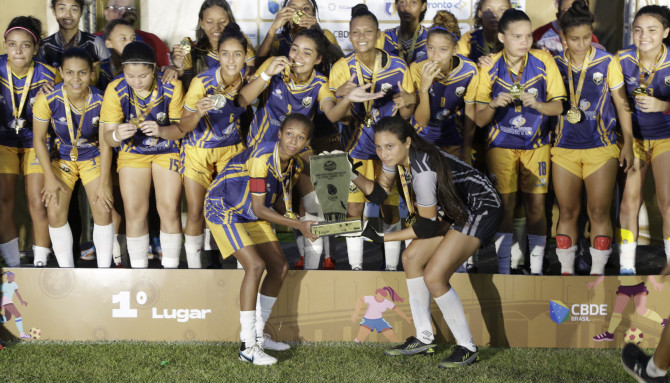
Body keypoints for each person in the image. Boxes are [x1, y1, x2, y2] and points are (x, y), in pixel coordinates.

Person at [352, 116, 502, 367]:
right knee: (410, 257)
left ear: (407, 142)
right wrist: (351, 173)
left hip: (480, 207)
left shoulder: (423, 168)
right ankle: (424, 337)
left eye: (390, 147)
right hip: (456, 209)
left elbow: (427, 225)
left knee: (434, 276)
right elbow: (378, 194)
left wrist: (383, 237)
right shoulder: (395, 159)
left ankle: (467, 347)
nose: (383, 153)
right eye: (379, 147)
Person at [240, 25, 375, 270]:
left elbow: (332, 115)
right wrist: (266, 74)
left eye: (306, 53)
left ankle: (312, 269)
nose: (297, 57)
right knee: (252, 209)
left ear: (318, 59)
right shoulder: (273, 66)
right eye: (294, 49)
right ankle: (247, 267)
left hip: (295, 150)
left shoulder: (320, 83)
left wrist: (347, 99)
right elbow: (244, 100)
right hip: (260, 151)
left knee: (315, 203)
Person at [204, 114, 316, 365]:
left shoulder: (295, 166)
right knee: (255, 265)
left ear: (306, 143)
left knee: (280, 266)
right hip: (223, 207)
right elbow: (260, 209)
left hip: (250, 212)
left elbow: (277, 203)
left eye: (300, 137)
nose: (292, 141)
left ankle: (258, 335)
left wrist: (308, 220)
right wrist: (300, 225)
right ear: (279, 134)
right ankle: (247, 345)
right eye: (289, 134)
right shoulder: (261, 156)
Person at [475, 8, 566, 275]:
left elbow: (559, 107)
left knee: (536, 208)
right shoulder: (489, 65)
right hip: (500, 144)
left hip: (536, 144)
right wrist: (493, 104)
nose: (525, 42)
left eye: (528, 36)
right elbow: (480, 120)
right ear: (502, 37)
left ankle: (535, 270)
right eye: (517, 36)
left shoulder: (543, 60)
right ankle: (504, 269)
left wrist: (538, 104)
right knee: (504, 208)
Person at [329, 4, 416, 271]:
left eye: (368, 31)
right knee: (353, 210)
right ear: (349, 35)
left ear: (379, 34)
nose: (362, 37)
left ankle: (390, 268)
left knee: (389, 208)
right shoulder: (342, 68)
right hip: (355, 148)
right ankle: (356, 267)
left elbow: (408, 113)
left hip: (388, 150)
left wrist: (407, 103)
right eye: (356, 32)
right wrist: (345, 97)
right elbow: (335, 116)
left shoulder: (399, 66)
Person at [157, 23, 250, 268]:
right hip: (198, 151)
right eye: (226, 54)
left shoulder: (246, 79)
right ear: (217, 55)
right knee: (197, 211)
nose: (231, 60)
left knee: (235, 207)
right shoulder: (201, 82)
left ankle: (243, 266)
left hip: (231, 149)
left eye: (237, 54)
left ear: (245, 56)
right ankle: (196, 268)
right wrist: (198, 113)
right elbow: (184, 126)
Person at [552, 0, 634, 275]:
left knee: (599, 213)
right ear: (563, 37)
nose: (581, 44)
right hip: (563, 149)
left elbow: (622, 103)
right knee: (567, 213)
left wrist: (629, 144)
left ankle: (598, 275)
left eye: (587, 37)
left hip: (601, 148)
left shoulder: (606, 61)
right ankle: (566, 273)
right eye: (574, 39)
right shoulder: (553, 64)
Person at [100, 41, 184, 269]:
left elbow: (180, 130)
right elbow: (107, 138)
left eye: (143, 76)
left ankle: (172, 269)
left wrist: (161, 131)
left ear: (155, 68)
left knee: (168, 207)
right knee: (135, 210)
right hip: (132, 152)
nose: (136, 82)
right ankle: (138, 270)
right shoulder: (115, 88)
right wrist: (117, 134)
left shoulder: (171, 86)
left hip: (165, 150)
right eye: (130, 75)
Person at [32, 48, 114, 268]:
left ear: (92, 73)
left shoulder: (102, 99)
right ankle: (66, 271)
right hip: (63, 159)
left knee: (103, 207)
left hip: (93, 157)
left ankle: (105, 271)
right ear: (60, 72)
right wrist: (49, 177)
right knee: (55, 208)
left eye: (82, 73)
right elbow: (39, 140)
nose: (75, 79)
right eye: (69, 72)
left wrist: (105, 183)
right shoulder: (48, 99)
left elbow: (106, 142)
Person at [0, 17, 59, 268]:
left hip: (35, 142)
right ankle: (13, 267)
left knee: (37, 200)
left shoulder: (49, 75)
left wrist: (53, 96)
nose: (18, 51)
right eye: (12, 44)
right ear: (5, 46)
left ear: (35, 49)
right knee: (4, 199)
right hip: (3, 141)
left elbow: (61, 119)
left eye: (25, 45)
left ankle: (40, 265)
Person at [617, 5, 670, 275]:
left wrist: (663, 106)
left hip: (665, 139)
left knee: (667, 201)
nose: (643, 36)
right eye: (637, 29)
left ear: (666, 32)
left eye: (652, 30)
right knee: (629, 201)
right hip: (634, 139)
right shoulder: (622, 58)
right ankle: (627, 268)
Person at [411, 10, 477, 163]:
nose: (435, 56)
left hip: (454, 139)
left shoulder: (469, 70)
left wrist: (466, 150)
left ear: (455, 50)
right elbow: (421, 122)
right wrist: (424, 88)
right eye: (431, 48)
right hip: (423, 140)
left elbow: (470, 112)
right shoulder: (417, 68)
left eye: (443, 49)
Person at [171, 0, 256, 89]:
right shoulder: (190, 48)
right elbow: (187, 90)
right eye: (209, 22)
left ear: (230, 21)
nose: (216, 27)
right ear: (201, 23)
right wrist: (178, 68)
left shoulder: (241, 43)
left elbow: (250, 81)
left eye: (222, 22)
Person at [256, 0, 342, 62]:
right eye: (293, 8)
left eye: (306, 8)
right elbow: (260, 63)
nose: (300, 12)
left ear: (313, 14)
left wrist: (317, 31)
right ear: (286, 15)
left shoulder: (324, 34)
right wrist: (273, 29)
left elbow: (340, 60)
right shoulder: (278, 39)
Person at [96, 0, 171, 67]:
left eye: (129, 9)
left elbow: (167, 69)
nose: (122, 13)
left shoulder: (151, 40)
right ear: (106, 12)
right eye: (116, 9)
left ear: (136, 13)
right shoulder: (92, 41)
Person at [38, 0, 110, 68]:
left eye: (74, 9)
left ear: (81, 12)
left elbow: (108, 73)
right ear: (53, 10)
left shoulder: (95, 43)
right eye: (62, 9)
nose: (68, 15)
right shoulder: (44, 47)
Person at [532, 0, 601, 57]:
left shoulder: (592, 40)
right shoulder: (540, 36)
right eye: (567, 10)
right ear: (558, 15)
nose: (573, 14)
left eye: (580, 8)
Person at [458, 0, 510, 64]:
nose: (495, 15)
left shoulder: (518, 39)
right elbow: (458, 66)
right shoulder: (469, 38)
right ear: (480, 13)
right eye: (489, 9)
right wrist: (475, 66)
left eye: (502, 10)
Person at [377, 0, 428, 64]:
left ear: (423, 6)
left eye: (413, 2)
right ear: (396, 5)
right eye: (403, 2)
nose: (407, 7)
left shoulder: (432, 37)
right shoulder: (383, 37)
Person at [93, 19, 136, 92]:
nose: (130, 42)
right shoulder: (98, 69)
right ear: (108, 43)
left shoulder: (144, 67)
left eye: (133, 39)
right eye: (123, 39)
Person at [1, 272, 29, 340]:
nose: (13, 278)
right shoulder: (4, 285)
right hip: (6, 301)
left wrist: (22, 301)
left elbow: (17, 293)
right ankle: (22, 334)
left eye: (14, 277)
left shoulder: (14, 284)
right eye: (11, 277)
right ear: (7, 278)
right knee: (18, 315)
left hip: (8, 301)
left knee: (8, 318)